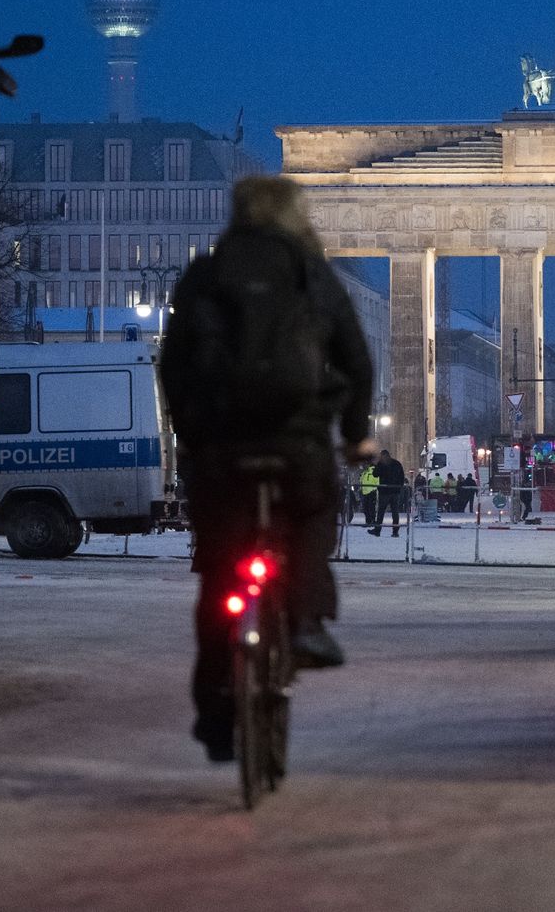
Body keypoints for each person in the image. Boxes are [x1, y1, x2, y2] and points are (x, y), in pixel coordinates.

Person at [158, 175, 375, 763]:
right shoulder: (311, 272)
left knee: (219, 577)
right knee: (311, 511)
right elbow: (357, 360)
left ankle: (214, 711)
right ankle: (303, 622)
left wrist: (190, 432)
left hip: (220, 447)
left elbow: (172, 364)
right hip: (298, 438)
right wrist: (355, 436)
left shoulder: (206, 274)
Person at [370, 449, 406, 535]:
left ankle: (377, 530)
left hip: (385, 491)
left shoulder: (381, 464)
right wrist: (399, 488)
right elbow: (402, 476)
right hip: (395, 491)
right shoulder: (397, 463)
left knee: (381, 511)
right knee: (395, 512)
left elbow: (375, 474)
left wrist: (377, 465)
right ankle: (395, 532)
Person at [358, 461, 381, 528]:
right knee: (365, 508)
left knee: (371, 507)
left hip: (371, 492)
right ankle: (368, 521)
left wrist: (375, 488)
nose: (364, 466)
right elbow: (361, 480)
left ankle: (373, 521)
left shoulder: (374, 470)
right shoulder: (365, 472)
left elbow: (377, 480)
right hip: (364, 492)